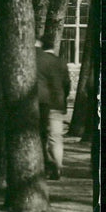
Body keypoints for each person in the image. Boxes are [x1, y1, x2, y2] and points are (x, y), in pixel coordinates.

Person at [36, 35, 71, 180]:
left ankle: (47, 165)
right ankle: (58, 166)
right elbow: (67, 85)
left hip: (41, 103)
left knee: (41, 136)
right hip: (57, 103)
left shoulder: (38, 60)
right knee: (56, 137)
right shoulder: (61, 62)